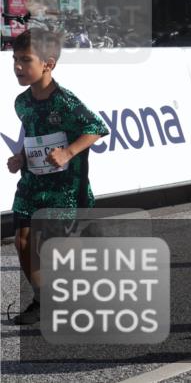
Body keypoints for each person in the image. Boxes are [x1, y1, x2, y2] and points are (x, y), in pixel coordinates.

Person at [6, 30, 109, 325]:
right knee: (23, 241)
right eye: (15, 59)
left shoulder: (64, 101)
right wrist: (21, 157)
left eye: (25, 60)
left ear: (48, 64)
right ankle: (42, 300)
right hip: (32, 182)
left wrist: (68, 152)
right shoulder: (21, 103)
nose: (17, 66)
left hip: (65, 186)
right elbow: (34, 135)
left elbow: (97, 127)